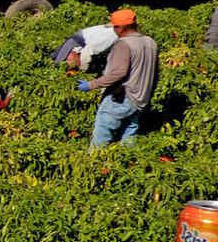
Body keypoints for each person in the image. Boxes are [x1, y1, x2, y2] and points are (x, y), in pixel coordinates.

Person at [77, 8, 158, 147]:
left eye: (115, 27)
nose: (114, 30)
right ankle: (126, 158)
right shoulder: (150, 42)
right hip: (142, 97)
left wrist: (91, 84)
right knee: (129, 133)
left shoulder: (124, 44)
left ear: (123, 27)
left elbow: (118, 73)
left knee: (102, 132)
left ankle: (95, 159)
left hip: (122, 97)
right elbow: (155, 73)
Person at [52, 22, 117, 71]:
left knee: (58, 61)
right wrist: (82, 68)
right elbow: (89, 50)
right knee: (58, 64)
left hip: (81, 38)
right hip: (79, 41)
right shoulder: (111, 36)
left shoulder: (115, 31)